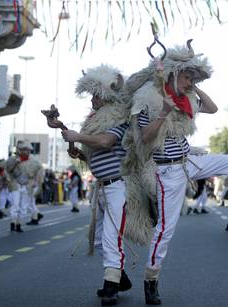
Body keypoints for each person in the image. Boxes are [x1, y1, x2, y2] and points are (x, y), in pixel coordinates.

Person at [124, 41, 228, 305]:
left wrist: (194, 85)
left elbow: (212, 108)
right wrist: (163, 113)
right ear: (173, 73)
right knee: (166, 230)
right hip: (165, 171)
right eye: (187, 76)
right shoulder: (147, 99)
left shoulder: (186, 98)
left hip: (189, 159)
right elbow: (146, 138)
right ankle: (151, 280)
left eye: (193, 79)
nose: (190, 83)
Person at [60, 64, 132, 306]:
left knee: (112, 237)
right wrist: (75, 146)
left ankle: (111, 286)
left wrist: (78, 137)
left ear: (107, 97)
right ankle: (119, 278)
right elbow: (91, 153)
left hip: (117, 187)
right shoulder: (96, 124)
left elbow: (106, 142)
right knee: (101, 239)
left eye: (96, 95)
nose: (92, 100)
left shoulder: (121, 120)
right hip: (100, 188)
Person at [5, 141, 44, 232]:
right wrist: (15, 163)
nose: (26, 151)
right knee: (15, 205)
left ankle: (19, 224)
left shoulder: (35, 162)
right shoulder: (13, 159)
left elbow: (40, 172)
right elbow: (8, 170)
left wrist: (37, 181)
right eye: (24, 149)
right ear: (20, 150)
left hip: (27, 186)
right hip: (16, 185)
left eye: (28, 150)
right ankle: (13, 222)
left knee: (23, 207)